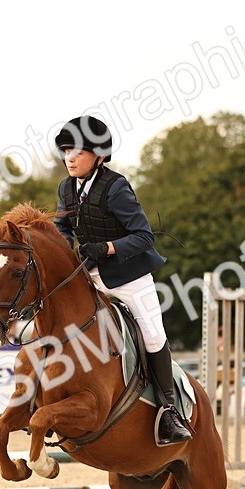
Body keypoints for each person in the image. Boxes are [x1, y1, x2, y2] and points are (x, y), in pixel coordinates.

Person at [52, 115, 191, 446]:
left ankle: (169, 411)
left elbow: (144, 236)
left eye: (78, 152)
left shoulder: (115, 188)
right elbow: (62, 231)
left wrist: (108, 247)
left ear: (98, 155)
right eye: (66, 150)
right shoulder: (65, 188)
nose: (70, 158)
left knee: (153, 336)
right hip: (89, 276)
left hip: (129, 277)